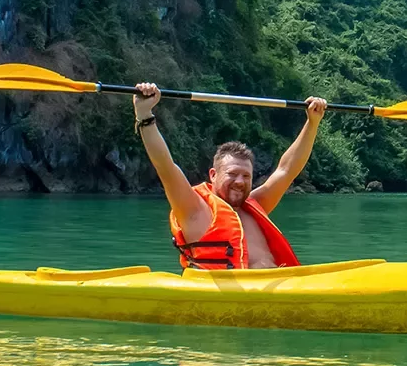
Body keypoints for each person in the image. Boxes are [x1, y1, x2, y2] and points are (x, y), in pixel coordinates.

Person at [132, 82, 327, 270]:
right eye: (232, 174)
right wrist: (144, 114)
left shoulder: (256, 204)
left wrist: (312, 123)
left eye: (246, 176)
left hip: (274, 293)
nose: (240, 182)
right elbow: (165, 166)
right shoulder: (193, 209)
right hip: (229, 298)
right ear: (213, 175)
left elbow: (286, 170)